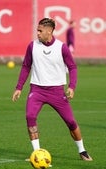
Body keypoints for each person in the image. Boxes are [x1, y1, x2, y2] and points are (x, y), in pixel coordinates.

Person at [11, 18, 92, 161]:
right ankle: (36, 153)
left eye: (40, 30)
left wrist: (72, 87)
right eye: (37, 30)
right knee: (30, 116)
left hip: (57, 92)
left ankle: (82, 150)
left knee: (71, 122)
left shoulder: (62, 47)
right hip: (36, 90)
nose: (37, 33)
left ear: (49, 31)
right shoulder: (32, 46)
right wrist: (19, 87)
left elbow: (72, 67)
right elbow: (26, 66)